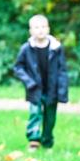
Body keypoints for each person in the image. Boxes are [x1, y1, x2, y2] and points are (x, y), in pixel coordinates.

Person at [12, 14, 69, 151]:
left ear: (48, 29)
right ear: (31, 31)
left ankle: (47, 140)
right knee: (35, 114)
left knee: (50, 118)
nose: (40, 30)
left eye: (43, 27)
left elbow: (62, 70)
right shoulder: (26, 48)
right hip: (35, 89)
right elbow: (18, 67)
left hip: (52, 89)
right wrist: (29, 82)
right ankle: (34, 140)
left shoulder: (56, 48)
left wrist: (62, 91)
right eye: (36, 27)